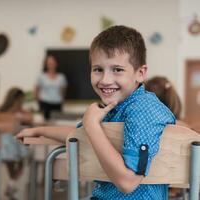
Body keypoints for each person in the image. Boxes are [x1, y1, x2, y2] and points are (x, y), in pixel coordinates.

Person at [17, 25, 175, 199]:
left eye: (117, 69)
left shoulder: (144, 109)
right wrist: (40, 130)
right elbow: (79, 134)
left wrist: (92, 125)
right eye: (98, 69)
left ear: (140, 73)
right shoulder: (116, 106)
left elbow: (127, 182)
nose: (105, 80)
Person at [35, 54, 67, 120]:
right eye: (49, 63)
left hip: (57, 103)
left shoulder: (61, 77)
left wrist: (60, 100)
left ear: (56, 63)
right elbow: (36, 90)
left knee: (57, 122)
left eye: (52, 62)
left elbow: (63, 91)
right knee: (45, 123)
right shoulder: (41, 76)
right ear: (46, 64)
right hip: (45, 103)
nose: (51, 64)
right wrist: (39, 102)